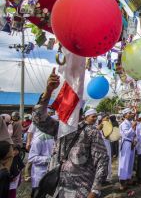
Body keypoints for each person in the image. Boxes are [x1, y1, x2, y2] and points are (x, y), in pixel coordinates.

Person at [32, 70, 109, 198]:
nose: (62, 112)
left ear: (78, 112)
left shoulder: (90, 132)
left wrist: (94, 191)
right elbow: (37, 118)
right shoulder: (59, 128)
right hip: (56, 190)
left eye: (68, 109)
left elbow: (102, 161)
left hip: (80, 192)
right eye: (62, 108)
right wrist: (48, 91)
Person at [28, 127, 55, 197]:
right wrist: (50, 159)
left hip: (53, 176)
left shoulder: (58, 138)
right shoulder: (39, 139)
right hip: (40, 175)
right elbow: (32, 158)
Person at [118, 108, 137, 191]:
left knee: (130, 162)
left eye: (131, 113)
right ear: (125, 115)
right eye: (129, 113)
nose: (131, 114)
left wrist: (134, 141)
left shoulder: (130, 123)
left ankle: (128, 178)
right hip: (126, 143)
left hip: (131, 143)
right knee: (124, 162)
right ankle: (122, 182)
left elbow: (134, 134)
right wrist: (133, 127)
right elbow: (126, 134)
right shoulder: (123, 124)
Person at [96, 116, 113, 183]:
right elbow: (98, 129)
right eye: (106, 118)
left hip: (107, 143)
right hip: (100, 144)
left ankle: (107, 178)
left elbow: (108, 135)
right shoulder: (99, 125)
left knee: (108, 160)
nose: (108, 119)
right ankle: (101, 178)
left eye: (108, 118)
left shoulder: (108, 125)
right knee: (100, 162)